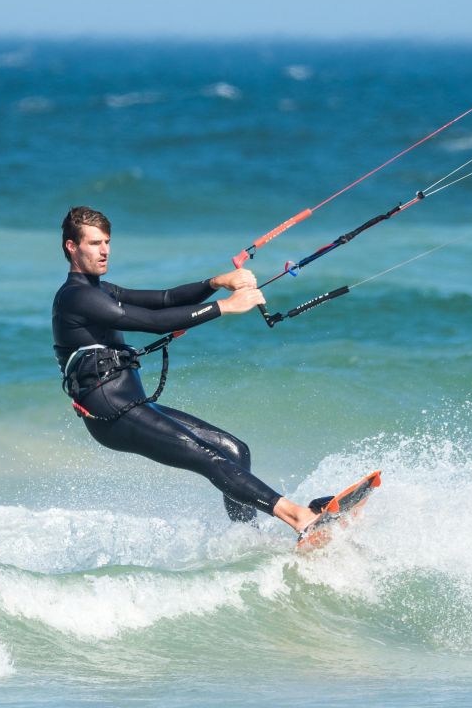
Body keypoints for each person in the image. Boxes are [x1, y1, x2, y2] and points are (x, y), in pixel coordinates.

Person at [52, 205, 327, 536]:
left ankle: (248, 538)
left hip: (131, 404)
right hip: (111, 412)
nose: (105, 250)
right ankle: (299, 517)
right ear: (72, 246)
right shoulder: (75, 297)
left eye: (107, 242)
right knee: (209, 457)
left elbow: (165, 299)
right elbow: (151, 323)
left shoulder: (101, 289)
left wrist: (215, 282)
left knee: (234, 450)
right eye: (95, 243)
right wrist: (224, 306)